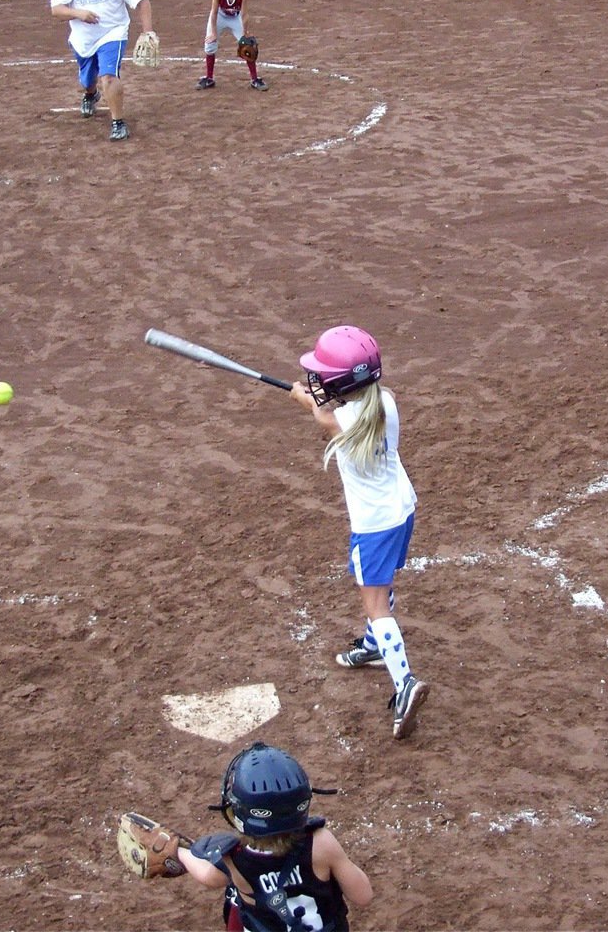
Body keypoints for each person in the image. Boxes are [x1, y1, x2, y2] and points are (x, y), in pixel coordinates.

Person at [291, 326, 430, 741]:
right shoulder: (384, 403)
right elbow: (328, 412)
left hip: (373, 526)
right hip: (402, 511)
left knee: (374, 601)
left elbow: (320, 415)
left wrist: (302, 396)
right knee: (383, 582)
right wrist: (312, 398)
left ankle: (404, 683)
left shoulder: (337, 420)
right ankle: (373, 645)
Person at [177, 742, 373, 930]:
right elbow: (363, 896)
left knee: (235, 900)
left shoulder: (234, 857)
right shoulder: (321, 843)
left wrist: (179, 852)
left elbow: (207, 877)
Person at [50, 0, 156, 142]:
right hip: (83, 39)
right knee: (88, 80)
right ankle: (90, 94)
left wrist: (147, 31)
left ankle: (118, 123)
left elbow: (141, 1)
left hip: (112, 32)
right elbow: (56, 9)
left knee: (108, 75)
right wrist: (78, 13)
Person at [196, 0, 267, 91]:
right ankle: (209, 78)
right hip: (220, 17)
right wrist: (213, 32)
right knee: (210, 45)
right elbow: (213, 13)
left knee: (248, 46)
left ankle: (255, 79)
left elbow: (244, 15)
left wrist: (245, 32)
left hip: (236, 18)